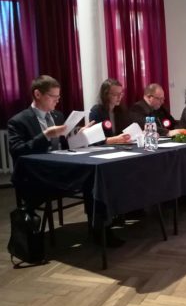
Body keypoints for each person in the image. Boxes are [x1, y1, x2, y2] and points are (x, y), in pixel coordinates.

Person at [8, 75, 124, 247]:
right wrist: (45, 135)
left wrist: (79, 136)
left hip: (61, 168)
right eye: (53, 97)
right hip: (37, 175)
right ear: (37, 94)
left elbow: (64, 145)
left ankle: (101, 228)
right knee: (92, 178)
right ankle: (101, 230)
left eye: (58, 96)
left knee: (97, 175)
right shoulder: (19, 121)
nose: (57, 101)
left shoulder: (57, 116)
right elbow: (18, 152)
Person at [89, 78, 132, 144]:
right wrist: (116, 139)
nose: (119, 97)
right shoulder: (96, 111)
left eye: (121, 94)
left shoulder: (121, 110)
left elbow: (126, 130)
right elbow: (95, 140)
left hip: (120, 146)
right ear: (106, 95)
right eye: (115, 94)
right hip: (104, 148)